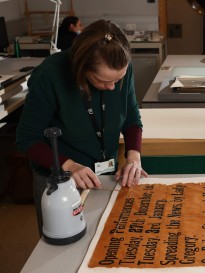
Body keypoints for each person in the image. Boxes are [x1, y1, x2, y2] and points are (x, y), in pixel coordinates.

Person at [16, 19, 147, 235]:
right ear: (81, 67)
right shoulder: (50, 75)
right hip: (60, 183)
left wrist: (134, 157)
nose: (112, 87)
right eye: (103, 81)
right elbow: (26, 139)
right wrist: (69, 167)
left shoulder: (121, 68)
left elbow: (132, 118)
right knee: (62, 251)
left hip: (106, 176)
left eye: (118, 79)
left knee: (107, 239)